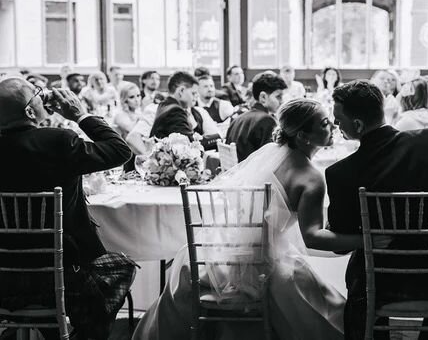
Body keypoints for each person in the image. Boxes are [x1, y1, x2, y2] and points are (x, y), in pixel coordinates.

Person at [134, 98, 382, 340]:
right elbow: (313, 238)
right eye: (325, 122)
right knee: (325, 308)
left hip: (224, 256)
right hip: (264, 265)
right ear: (303, 135)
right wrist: (365, 240)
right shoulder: (311, 178)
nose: (333, 126)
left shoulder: (271, 153)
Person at [326, 80, 428, 340]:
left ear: (357, 126)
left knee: (360, 268)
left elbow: (339, 246)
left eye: (338, 119)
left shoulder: (341, 173)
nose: (336, 125)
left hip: (378, 282)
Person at [0, 77, 133, 339]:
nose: (43, 96)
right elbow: (120, 150)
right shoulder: (58, 141)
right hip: (65, 278)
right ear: (29, 111)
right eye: (37, 93)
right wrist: (80, 115)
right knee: (122, 265)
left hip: (4, 278)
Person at [225, 73, 287, 161]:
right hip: (251, 173)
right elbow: (271, 160)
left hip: (236, 173)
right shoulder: (266, 120)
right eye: (278, 96)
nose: (282, 101)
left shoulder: (238, 118)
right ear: (263, 97)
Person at [149, 72, 219, 149]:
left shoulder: (164, 104)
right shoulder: (175, 111)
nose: (197, 96)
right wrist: (219, 136)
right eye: (193, 93)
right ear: (181, 91)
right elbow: (192, 144)